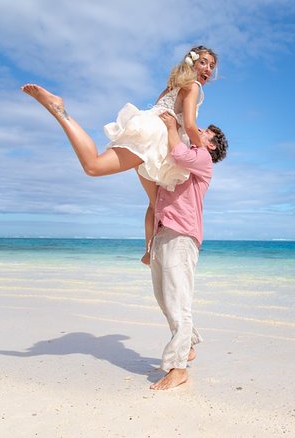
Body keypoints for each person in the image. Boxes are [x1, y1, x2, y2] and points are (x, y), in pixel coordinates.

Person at [20, 45, 218, 264]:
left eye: (211, 65)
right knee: (93, 166)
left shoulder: (172, 86)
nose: (207, 69)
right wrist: (200, 149)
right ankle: (59, 110)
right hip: (153, 139)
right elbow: (189, 125)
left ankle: (149, 251)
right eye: (203, 62)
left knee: (155, 202)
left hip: (151, 136)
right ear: (193, 63)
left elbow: (167, 113)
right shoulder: (194, 87)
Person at [149, 111, 227, 390]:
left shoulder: (203, 159)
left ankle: (179, 367)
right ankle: (188, 343)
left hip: (182, 236)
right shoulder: (185, 155)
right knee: (164, 299)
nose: (199, 130)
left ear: (212, 144)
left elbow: (180, 155)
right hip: (164, 234)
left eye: (205, 131)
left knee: (178, 303)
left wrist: (172, 125)